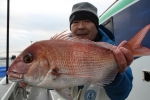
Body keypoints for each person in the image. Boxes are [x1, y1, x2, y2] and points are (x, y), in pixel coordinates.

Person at [56, 2, 133, 100]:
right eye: (75, 22)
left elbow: (121, 94)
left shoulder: (113, 52)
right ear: (70, 27)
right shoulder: (62, 52)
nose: (81, 26)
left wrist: (114, 74)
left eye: (87, 20)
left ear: (96, 27)